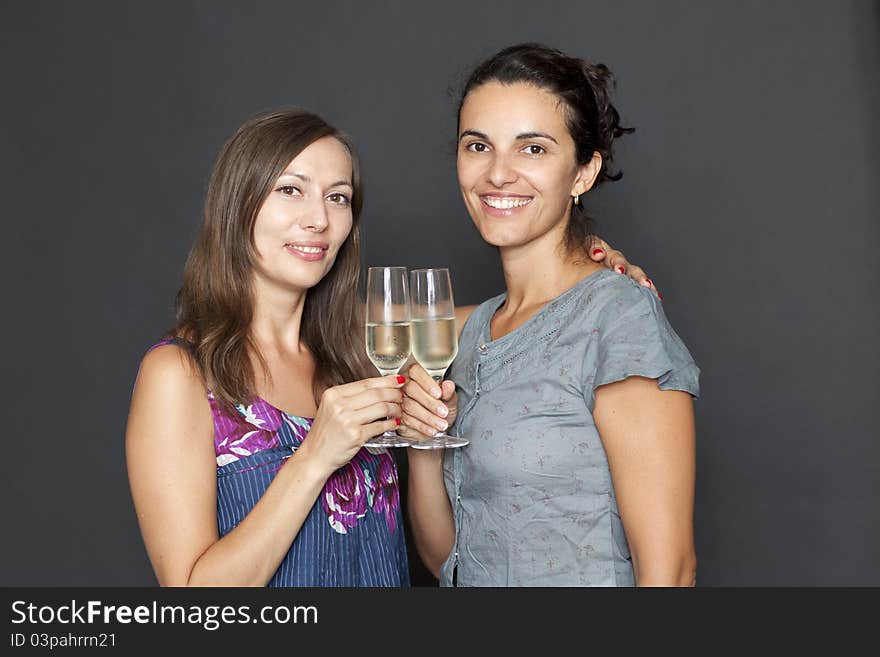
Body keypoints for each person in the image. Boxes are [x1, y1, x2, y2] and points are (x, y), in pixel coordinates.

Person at [402, 43, 700, 587]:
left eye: (533, 149)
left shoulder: (618, 318)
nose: (497, 173)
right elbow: (448, 560)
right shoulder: (463, 335)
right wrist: (422, 442)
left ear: (583, 172)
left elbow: (671, 573)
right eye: (478, 146)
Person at [125, 110, 411, 586]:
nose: (319, 219)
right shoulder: (180, 374)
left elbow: (481, 320)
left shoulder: (359, 359)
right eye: (291, 190)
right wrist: (314, 456)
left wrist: (575, 269)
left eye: (337, 198)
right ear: (239, 203)